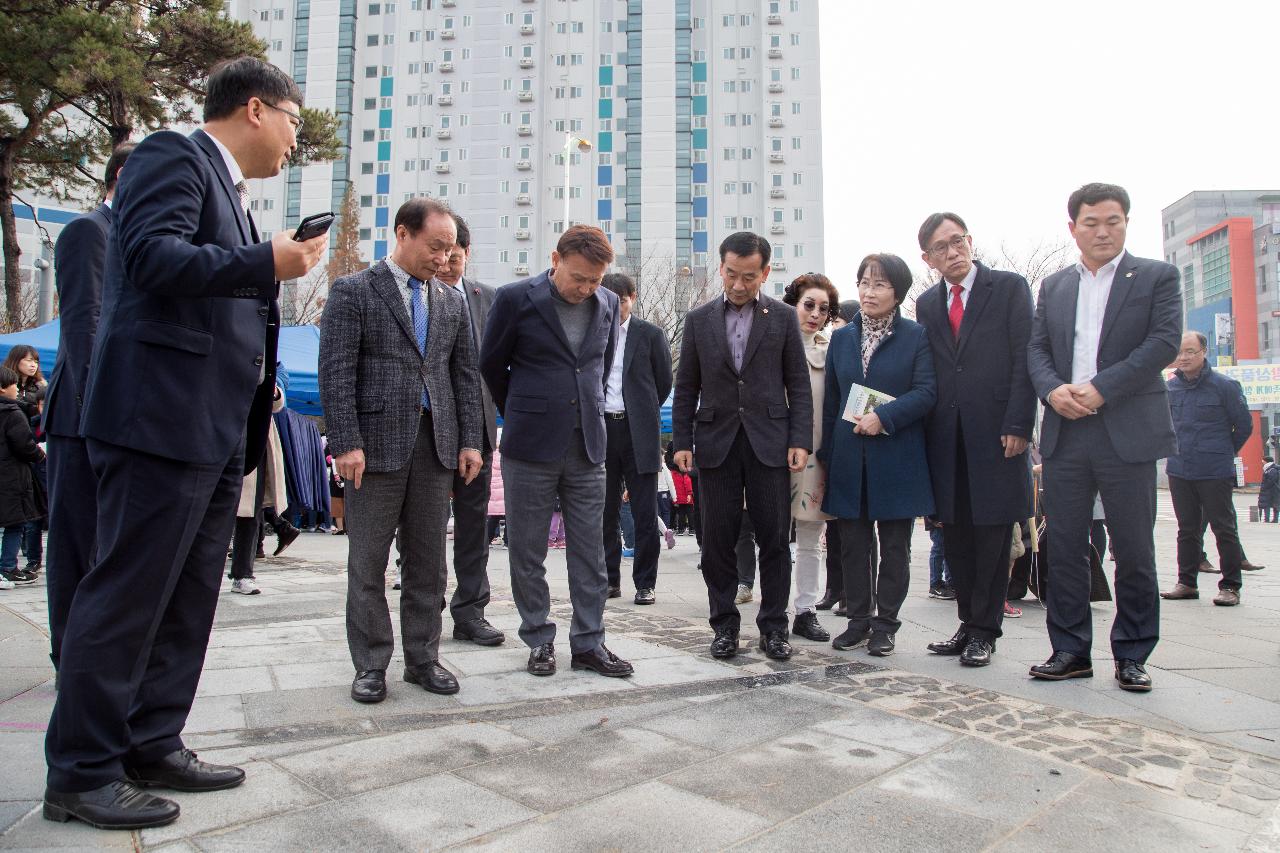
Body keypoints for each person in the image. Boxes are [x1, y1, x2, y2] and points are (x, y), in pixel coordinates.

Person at [43, 57, 327, 830]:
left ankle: (151, 737)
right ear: (258, 108)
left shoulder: (231, 194)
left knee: (185, 599)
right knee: (127, 591)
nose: (296, 141)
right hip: (156, 419)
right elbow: (153, 258)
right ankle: (81, 768)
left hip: (210, 426)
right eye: (296, 123)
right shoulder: (175, 154)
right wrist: (265, 261)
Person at [320, 198, 484, 703]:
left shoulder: (451, 302)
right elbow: (336, 371)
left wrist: (470, 440)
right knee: (367, 561)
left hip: (435, 447)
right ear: (402, 234)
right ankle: (370, 664)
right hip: (372, 449)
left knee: (430, 563)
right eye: (435, 247)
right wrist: (345, 440)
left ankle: (423, 658)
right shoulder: (354, 292)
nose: (442, 258)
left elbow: (462, 377)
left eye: (450, 249)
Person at [1026, 183, 1181, 693]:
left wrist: (1100, 389)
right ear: (1073, 228)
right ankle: (1070, 649)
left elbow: (1162, 343)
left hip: (1127, 432)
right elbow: (1038, 349)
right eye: (1091, 222)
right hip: (1067, 433)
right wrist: (1052, 391)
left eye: (1112, 220)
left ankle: (1133, 653)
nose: (1102, 231)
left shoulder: (1156, 276)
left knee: (1134, 548)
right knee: (1066, 546)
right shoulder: (1054, 286)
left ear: (1126, 223)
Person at [479, 225, 633, 678]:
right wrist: (524, 408)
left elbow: (600, 365)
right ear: (555, 259)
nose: (586, 288)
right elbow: (492, 363)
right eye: (579, 277)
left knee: (591, 550)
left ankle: (589, 642)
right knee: (528, 550)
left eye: (595, 280)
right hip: (530, 446)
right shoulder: (514, 299)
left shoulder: (606, 303)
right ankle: (539, 639)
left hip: (587, 444)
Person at [672, 232, 812, 661]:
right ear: (721, 268)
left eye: (748, 276)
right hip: (715, 443)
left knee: (773, 538)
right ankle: (725, 626)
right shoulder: (698, 320)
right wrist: (682, 441)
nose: (737, 284)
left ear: (765, 273)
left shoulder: (783, 318)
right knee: (716, 539)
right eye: (731, 273)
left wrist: (800, 439)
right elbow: (685, 387)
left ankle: (774, 628)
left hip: (769, 443)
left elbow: (799, 385)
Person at [914, 212, 1036, 667]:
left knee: (992, 534)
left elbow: (1027, 356)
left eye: (958, 240)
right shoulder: (927, 304)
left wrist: (1020, 424)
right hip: (946, 439)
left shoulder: (1008, 288)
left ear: (969, 240)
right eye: (941, 247)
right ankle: (967, 622)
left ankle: (987, 629)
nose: (953, 251)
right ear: (928, 258)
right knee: (955, 535)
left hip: (998, 434)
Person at [819, 253, 936, 656]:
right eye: (864, 283)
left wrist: (883, 417)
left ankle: (885, 624)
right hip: (850, 458)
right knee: (852, 545)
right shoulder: (841, 338)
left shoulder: (916, 336)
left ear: (898, 292)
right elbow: (833, 402)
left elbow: (926, 392)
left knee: (895, 547)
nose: (869, 292)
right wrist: (826, 458)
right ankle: (858, 620)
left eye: (880, 284)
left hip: (897, 456)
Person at [435, 214, 506, 646]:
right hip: (427, 424)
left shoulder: (489, 298)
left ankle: (471, 610)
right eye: (440, 256)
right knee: (423, 523)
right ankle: (426, 604)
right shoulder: (416, 293)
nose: (445, 265)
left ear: (467, 254)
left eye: (454, 258)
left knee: (474, 524)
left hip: (477, 426)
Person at [1160, 331, 1252, 607]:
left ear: (1204, 352)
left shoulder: (1225, 386)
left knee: (1224, 528)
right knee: (1187, 529)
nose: (1184, 358)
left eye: (1190, 351)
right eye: (1179, 352)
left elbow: (1244, 426)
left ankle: (1230, 586)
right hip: (1180, 468)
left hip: (1215, 469)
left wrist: (1224, 451)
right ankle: (1186, 582)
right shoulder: (1170, 388)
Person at [599, 272, 674, 605]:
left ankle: (646, 583)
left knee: (644, 513)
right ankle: (609, 580)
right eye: (609, 301)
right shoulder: (594, 330)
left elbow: (663, 383)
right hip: (601, 432)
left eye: (622, 301)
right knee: (604, 511)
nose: (616, 308)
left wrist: (642, 411)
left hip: (638, 432)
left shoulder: (650, 334)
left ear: (633, 297)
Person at [781, 272, 839, 642]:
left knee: (809, 537)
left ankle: (804, 610)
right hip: (771, 453)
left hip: (816, 455)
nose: (816, 314)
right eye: (809, 305)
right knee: (770, 536)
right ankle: (773, 611)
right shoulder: (772, 345)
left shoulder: (832, 352)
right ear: (794, 304)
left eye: (824, 308)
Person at [226, 380, 290, 595]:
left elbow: (278, 402)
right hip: (220, 426)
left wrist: (274, 391)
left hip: (255, 436)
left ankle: (242, 573)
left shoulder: (268, 357)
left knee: (250, 511)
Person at [1, 366, 46, 589]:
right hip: (12, 478)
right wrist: (39, 453)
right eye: (14, 385)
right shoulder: (12, 414)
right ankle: (8, 568)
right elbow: (24, 446)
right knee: (15, 523)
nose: (17, 389)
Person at [4, 345, 46, 421]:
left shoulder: (41, 385)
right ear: (16, 360)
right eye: (29, 360)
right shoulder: (4, 383)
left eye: (36, 362)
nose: (34, 365)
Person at [671, 466, 694, 533]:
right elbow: (687, 483)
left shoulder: (673, 473)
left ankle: (680, 530)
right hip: (687, 496)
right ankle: (691, 529)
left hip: (679, 497)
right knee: (690, 514)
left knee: (681, 513)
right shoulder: (686, 473)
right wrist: (689, 493)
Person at [1258, 456, 1279, 523]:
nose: (1262, 462)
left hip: (1271, 490)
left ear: (1266, 461)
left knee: (1271, 504)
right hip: (1273, 490)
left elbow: (1271, 480)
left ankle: (1272, 519)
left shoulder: (1271, 469)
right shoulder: (1270, 468)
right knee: (1271, 504)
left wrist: (1265, 487)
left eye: (1263, 461)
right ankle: (1270, 519)